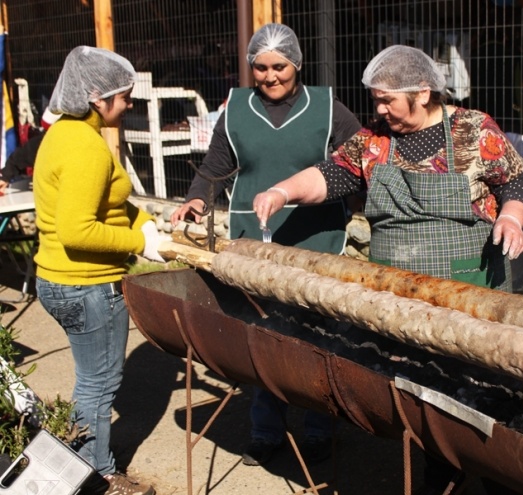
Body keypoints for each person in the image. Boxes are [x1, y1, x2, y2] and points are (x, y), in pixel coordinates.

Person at [252, 44, 523, 495]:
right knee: (423, 395)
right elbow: (332, 175)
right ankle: (439, 471)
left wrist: (511, 216)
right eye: (376, 100)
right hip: (397, 299)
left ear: (422, 93)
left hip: (469, 291)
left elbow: (519, 182)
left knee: (485, 396)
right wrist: (282, 192)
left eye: (387, 99)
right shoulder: (374, 140)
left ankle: (502, 477)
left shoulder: (473, 129)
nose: (378, 109)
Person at [170, 23, 361, 467]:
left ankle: (318, 427)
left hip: (314, 237)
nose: (270, 77)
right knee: (262, 335)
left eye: (279, 67)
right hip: (251, 241)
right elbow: (215, 165)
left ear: (296, 64)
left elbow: (359, 160)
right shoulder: (236, 108)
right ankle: (266, 429)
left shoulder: (327, 107)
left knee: (316, 337)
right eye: (260, 68)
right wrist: (197, 199)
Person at [33, 46, 169, 495]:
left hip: (54, 277)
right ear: (97, 97)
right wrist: (139, 245)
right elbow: (79, 230)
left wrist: (145, 222)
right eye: (125, 96)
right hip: (88, 285)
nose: (128, 104)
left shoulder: (62, 133)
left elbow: (107, 202)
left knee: (87, 381)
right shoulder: (87, 148)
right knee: (98, 386)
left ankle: (78, 463)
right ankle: (98, 477)